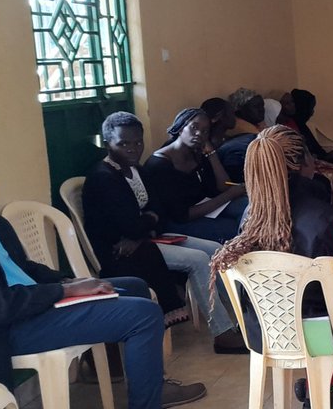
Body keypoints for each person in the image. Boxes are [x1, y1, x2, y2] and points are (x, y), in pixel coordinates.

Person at [0, 141, 209, 409]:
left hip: (31, 306)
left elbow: (24, 268)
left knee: (133, 286)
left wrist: (70, 280)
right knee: (142, 315)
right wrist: (63, 291)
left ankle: (153, 385)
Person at [210, 127, 333, 409]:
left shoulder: (250, 217)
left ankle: (311, 391)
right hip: (318, 338)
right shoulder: (328, 219)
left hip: (265, 332)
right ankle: (319, 391)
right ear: (305, 164)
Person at [84, 112, 245, 353]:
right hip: (122, 251)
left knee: (215, 250)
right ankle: (222, 333)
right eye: (123, 143)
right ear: (108, 144)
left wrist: (146, 221)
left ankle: (240, 317)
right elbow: (129, 225)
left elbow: (156, 209)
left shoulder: (136, 170)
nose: (133, 149)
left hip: (146, 239)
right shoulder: (104, 177)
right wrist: (145, 223)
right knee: (199, 260)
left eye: (138, 142)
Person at [142, 108, 248, 244]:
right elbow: (182, 215)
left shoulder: (196, 153)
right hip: (175, 222)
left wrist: (212, 154)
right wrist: (230, 195)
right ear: (180, 128)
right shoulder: (159, 165)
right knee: (234, 229)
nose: (199, 134)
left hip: (203, 208)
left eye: (205, 131)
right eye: (194, 127)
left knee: (249, 207)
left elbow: (223, 186)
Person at [289, 88, 333, 217]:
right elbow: (307, 153)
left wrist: (327, 155)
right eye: (310, 108)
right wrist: (326, 156)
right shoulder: (291, 127)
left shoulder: (301, 125)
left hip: (315, 159)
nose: (312, 112)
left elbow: (314, 148)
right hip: (310, 162)